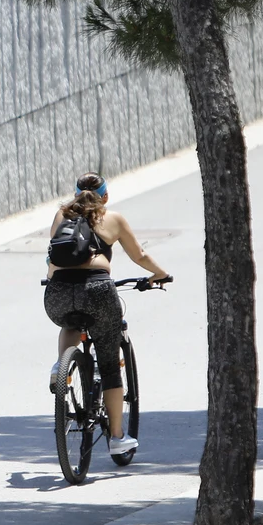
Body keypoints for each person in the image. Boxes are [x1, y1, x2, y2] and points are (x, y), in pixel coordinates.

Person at [43, 174, 169, 456]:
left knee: (70, 321)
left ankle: (61, 368)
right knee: (111, 367)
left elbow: (52, 255)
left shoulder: (61, 215)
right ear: (105, 197)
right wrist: (159, 274)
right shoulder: (113, 218)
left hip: (57, 293)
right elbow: (139, 255)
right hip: (98, 290)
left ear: (75, 195)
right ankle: (117, 437)